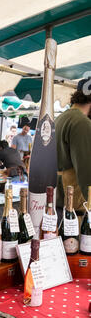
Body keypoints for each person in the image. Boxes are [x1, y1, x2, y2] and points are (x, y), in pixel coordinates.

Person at [56, 77, 91, 218]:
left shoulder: (60, 118)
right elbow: (87, 170)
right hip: (76, 209)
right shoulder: (81, 122)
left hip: (59, 200)